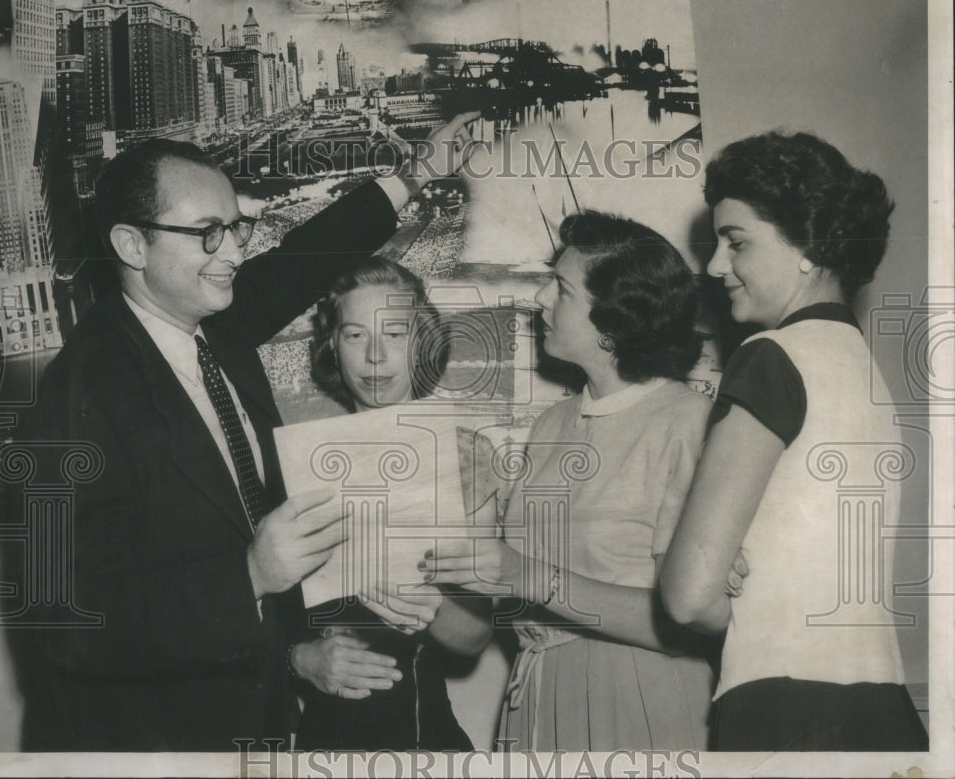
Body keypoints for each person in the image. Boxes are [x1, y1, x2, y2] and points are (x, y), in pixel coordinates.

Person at [0, 113, 480, 751]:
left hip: (261, 728)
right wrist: (249, 575)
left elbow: (301, 261)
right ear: (132, 246)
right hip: (157, 745)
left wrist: (415, 174)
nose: (233, 251)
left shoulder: (211, 325)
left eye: (234, 228)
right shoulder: (73, 400)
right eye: (207, 233)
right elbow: (63, 621)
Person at [659, 131, 929, 751]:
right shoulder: (863, 369)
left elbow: (684, 597)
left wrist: (704, 564)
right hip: (883, 710)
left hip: (783, 710)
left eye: (737, 242)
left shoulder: (770, 357)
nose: (715, 266)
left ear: (806, 246)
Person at [428, 212, 715, 751]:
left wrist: (527, 575)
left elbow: (687, 623)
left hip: (641, 698)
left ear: (616, 320)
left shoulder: (689, 422)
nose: (539, 298)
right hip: (536, 695)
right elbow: (503, 590)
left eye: (560, 288)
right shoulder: (551, 424)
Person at [289, 257, 492, 751]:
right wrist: (298, 659)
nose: (375, 357)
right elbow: (245, 616)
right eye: (356, 335)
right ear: (332, 345)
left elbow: (473, 636)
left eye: (395, 334)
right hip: (325, 747)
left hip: (425, 740)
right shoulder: (292, 460)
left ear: (421, 343)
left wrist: (428, 605)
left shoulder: (464, 457)